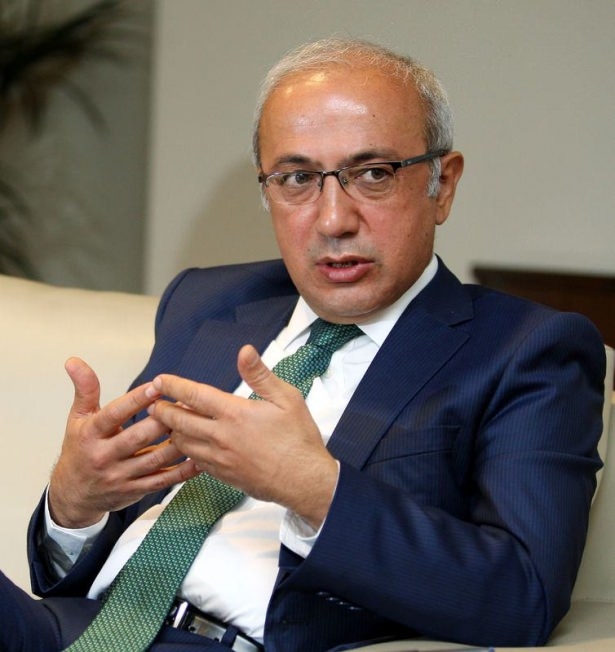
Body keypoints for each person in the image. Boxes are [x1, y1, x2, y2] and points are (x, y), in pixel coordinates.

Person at [1, 37, 606, 652]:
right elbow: (63, 573)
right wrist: (73, 507)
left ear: (442, 185)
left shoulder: (527, 350)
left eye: (373, 174)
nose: (333, 220)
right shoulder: (206, 301)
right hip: (72, 629)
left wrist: (313, 486)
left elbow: (523, 596)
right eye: (297, 179)